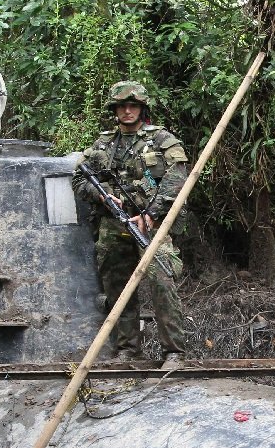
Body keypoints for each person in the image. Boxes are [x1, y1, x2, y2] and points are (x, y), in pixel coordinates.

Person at [71, 80, 188, 367]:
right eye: (122, 106)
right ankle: (127, 349)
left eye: (132, 105)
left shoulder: (162, 140)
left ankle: (173, 351)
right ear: (115, 109)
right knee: (117, 287)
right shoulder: (102, 145)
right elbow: (78, 179)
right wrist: (102, 196)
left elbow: (178, 178)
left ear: (141, 108)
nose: (127, 110)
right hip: (113, 224)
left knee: (162, 282)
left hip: (151, 223)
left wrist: (151, 212)